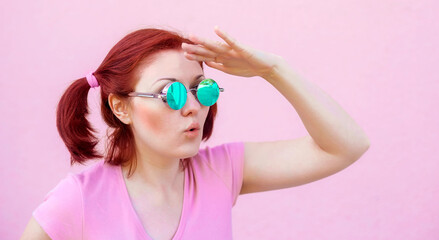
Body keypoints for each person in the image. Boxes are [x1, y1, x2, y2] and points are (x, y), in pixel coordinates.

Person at [20, 26, 370, 240]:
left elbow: (346, 146)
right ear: (120, 107)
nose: (192, 107)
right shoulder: (79, 199)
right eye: (170, 93)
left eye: (201, 89)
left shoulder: (220, 171)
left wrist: (274, 70)